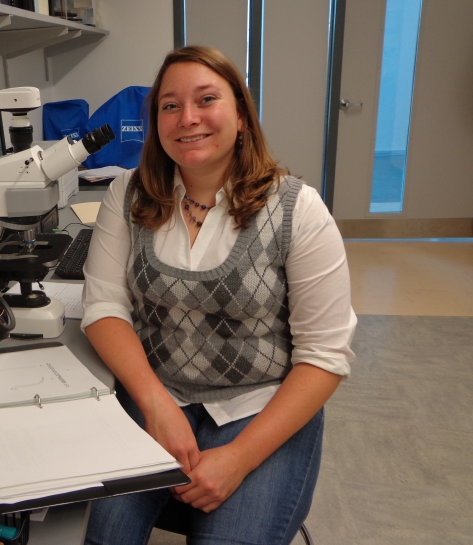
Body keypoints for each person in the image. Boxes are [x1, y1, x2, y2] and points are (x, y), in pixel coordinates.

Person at [81, 46, 356, 545]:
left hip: (259, 405)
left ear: (241, 117)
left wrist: (239, 457)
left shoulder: (299, 210)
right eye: (169, 105)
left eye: (206, 99)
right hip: (158, 393)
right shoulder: (127, 195)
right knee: (105, 536)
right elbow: (103, 308)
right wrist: (156, 404)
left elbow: (325, 355)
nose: (187, 118)